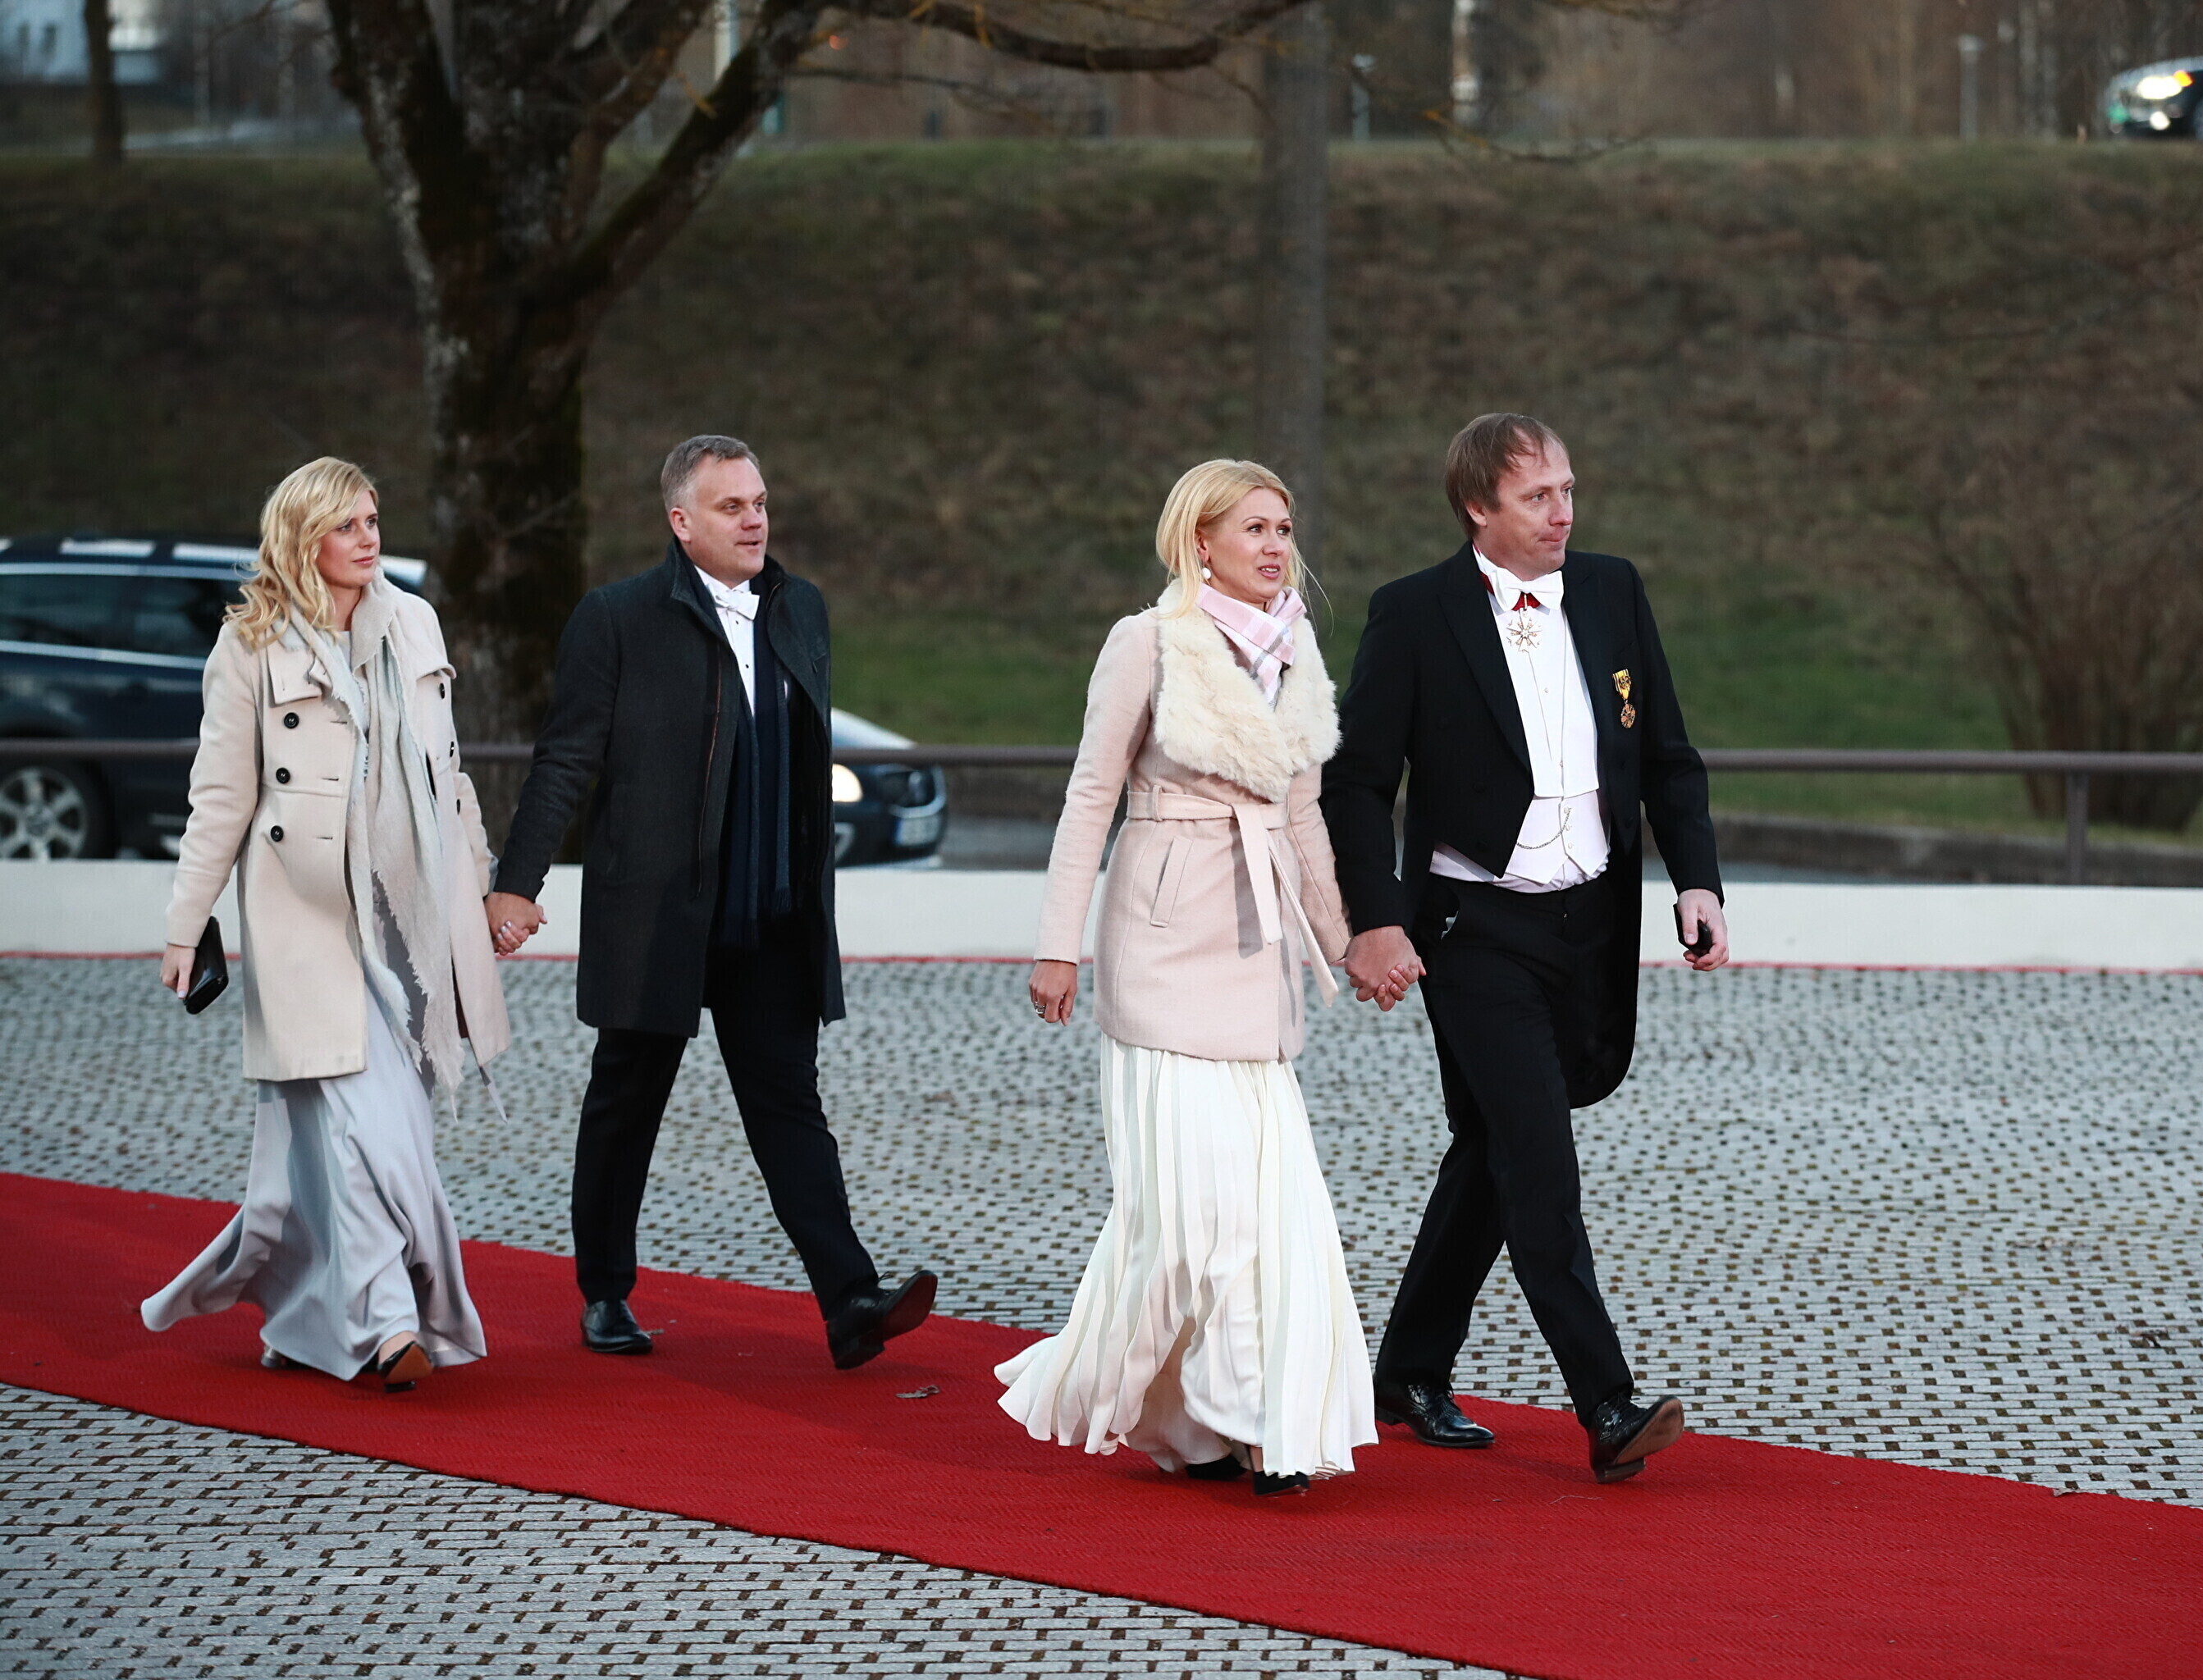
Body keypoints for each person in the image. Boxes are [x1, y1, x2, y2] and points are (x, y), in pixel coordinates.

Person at [1320, 413, 1731, 1485]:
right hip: (1475, 929)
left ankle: (1408, 1370)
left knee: (1496, 1146)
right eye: (1538, 496)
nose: (1563, 513)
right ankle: (1606, 1402)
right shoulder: (1415, 613)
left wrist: (1695, 879)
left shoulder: (1612, 589)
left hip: (1589, 922)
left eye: (1568, 490)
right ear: (1478, 507)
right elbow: (1356, 782)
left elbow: (1669, 756)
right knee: (1539, 1156)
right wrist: (1376, 918)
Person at [482, 435, 935, 1368]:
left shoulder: (800, 607)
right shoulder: (617, 618)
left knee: (789, 1104)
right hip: (658, 913)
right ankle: (604, 1292)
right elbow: (566, 758)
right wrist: (517, 881)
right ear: (681, 521)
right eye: (732, 507)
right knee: (627, 1100)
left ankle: (851, 1299)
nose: (755, 519)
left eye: (760, 502)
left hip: (773, 916)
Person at [999, 459, 1374, 1499]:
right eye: (1253, 527)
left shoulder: (1296, 647)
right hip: (1162, 944)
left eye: (1283, 527)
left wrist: (1345, 941)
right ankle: (1191, 1409)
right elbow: (1090, 794)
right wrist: (1057, 944)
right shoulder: (1147, 641)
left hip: (1258, 952)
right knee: (1187, 1219)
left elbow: (1302, 814)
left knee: (1265, 1210)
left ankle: (1250, 1423)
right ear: (1198, 542)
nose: (1275, 545)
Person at [146, 457, 510, 1394]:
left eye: (372, 519)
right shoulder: (249, 645)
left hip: (408, 913)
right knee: (364, 1121)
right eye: (346, 524)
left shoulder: (413, 622)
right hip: (303, 918)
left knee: (360, 1134)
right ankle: (392, 1325)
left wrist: (480, 890)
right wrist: (186, 924)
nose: (368, 537)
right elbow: (219, 797)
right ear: (303, 536)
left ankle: (310, 1316)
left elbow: (450, 775)